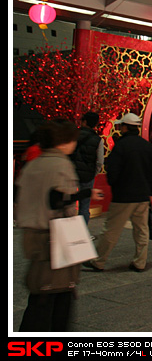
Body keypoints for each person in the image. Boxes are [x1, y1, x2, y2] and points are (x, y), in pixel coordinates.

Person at [16, 119, 104, 331]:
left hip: (33, 234)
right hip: (55, 239)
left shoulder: (33, 163)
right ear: (65, 141)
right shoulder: (62, 164)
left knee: (41, 295)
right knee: (55, 298)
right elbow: (58, 201)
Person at [84, 113, 152, 273]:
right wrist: (150, 191)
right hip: (143, 195)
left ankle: (99, 261)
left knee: (111, 229)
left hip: (123, 195)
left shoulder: (121, 146)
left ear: (124, 127)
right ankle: (140, 261)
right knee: (142, 230)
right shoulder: (147, 146)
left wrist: (114, 185)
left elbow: (113, 171)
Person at [69, 111, 104, 225]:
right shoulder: (98, 140)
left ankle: (68, 232)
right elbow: (100, 161)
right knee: (84, 205)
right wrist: (93, 173)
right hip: (87, 176)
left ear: (84, 121)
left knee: (70, 203)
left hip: (71, 174)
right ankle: (82, 233)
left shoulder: (73, 135)